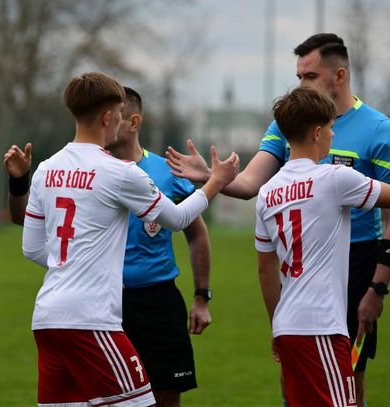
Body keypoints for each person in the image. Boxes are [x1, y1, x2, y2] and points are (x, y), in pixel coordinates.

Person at [166, 33, 390, 406]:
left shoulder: (377, 129)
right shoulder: (303, 140)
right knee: (337, 391)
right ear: (319, 134)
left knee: (350, 376)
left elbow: (263, 262)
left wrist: (378, 285)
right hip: (313, 299)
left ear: (339, 75)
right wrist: (211, 177)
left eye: (310, 76)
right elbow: (248, 183)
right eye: (299, 76)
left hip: (352, 268)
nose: (301, 83)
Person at [19, 71, 238, 406]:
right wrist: (216, 182)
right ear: (108, 117)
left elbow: (32, 248)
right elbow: (178, 219)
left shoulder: (46, 169)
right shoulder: (119, 172)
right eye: (120, 113)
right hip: (91, 319)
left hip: (47, 318)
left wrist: (73, 265)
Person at [256, 86, 390, 406]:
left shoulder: (267, 193)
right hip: (321, 327)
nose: (333, 134)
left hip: (287, 326)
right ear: (317, 133)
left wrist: (277, 325)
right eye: (330, 128)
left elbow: (265, 270)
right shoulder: (335, 178)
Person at [106, 87, 211, 406]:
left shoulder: (167, 172)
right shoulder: (94, 170)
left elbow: (197, 234)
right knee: (110, 398)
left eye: (113, 117)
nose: (105, 123)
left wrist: (201, 297)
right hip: (106, 302)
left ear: (134, 122)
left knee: (165, 397)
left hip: (158, 302)